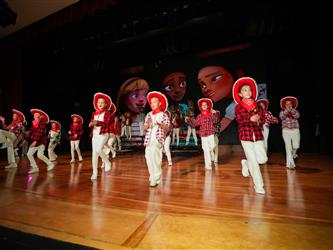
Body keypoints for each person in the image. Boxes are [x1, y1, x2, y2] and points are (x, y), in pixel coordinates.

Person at [233, 77, 267, 194]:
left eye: (249, 90)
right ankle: (259, 185)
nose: (248, 92)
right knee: (253, 161)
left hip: (257, 134)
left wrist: (259, 119)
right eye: (245, 90)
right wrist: (250, 118)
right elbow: (239, 119)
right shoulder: (239, 106)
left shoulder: (257, 105)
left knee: (262, 159)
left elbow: (262, 117)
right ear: (240, 94)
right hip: (245, 135)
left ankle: (245, 163)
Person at [197, 65, 236, 133]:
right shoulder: (233, 106)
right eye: (203, 85)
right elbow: (223, 123)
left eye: (214, 78)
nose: (206, 89)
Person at [144, 91, 170, 187]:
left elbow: (167, 128)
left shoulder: (163, 115)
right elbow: (145, 128)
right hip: (148, 139)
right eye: (151, 102)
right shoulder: (149, 115)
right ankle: (153, 176)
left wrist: (161, 124)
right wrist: (147, 124)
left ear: (159, 103)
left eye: (155, 102)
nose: (152, 104)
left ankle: (156, 177)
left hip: (158, 138)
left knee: (155, 158)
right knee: (148, 158)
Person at [185, 98, 218, 170]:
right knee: (205, 149)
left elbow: (215, 121)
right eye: (202, 105)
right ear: (201, 107)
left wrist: (215, 113)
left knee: (212, 146)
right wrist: (188, 119)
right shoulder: (199, 116)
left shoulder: (211, 114)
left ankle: (211, 151)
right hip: (203, 134)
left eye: (205, 105)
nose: (204, 106)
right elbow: (195, 124)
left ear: (207, 106)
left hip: (210, 132)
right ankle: (208, 165)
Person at [22, 109, 55, 174]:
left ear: (39, 117)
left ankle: (50, 164)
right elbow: (30, 133)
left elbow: (40, 133)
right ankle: (35, 168)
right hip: (35, 142)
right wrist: (26, 140)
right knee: (29, 154)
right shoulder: (34, 124)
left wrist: (35, 141)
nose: (34, 116)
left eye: (36, 115)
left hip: (41, 142)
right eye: (34, 115)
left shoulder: (43, 124)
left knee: (39, 155)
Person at [88, 92, 112, 180]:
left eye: (102, 102)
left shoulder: (107, 113)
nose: (100, 104)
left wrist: (97, 122)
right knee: (94, 155)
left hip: (104, 134)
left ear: (106, 104)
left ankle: (107, 162)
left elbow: (107, 123)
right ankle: (94, 173)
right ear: (96, 103)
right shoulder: (94, 113)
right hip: (95, 135)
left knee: (98, 149)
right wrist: (91, 124)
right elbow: (92, 122)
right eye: (99, 102)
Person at [279, 96, 300, 169]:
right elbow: (282, 117)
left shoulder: (295, 111)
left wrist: (291, 110)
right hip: (286, 131)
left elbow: (297, 116)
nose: (288, 105)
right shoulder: (282, 112)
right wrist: (287, 111)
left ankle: (294, 154)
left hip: (295, 130)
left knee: (296, 146)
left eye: (290, 103)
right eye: (287, 104)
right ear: (284, 105)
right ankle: (290, 164)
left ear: (292, 104)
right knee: (288, 147)